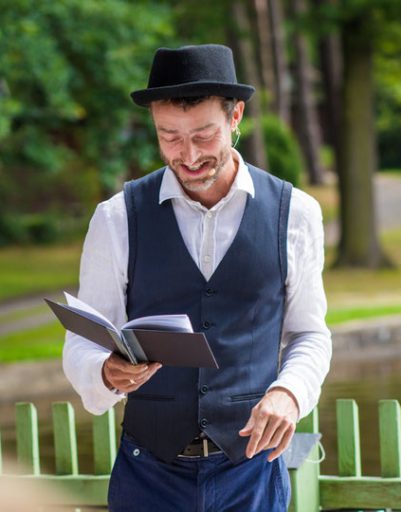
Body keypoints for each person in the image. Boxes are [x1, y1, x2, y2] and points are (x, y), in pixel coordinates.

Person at [62, 44, 331, 511]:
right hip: (147, 474)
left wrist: (289, 394)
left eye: (203, 136)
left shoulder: (297, 214)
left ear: (235, 117)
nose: (188, 155)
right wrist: (103, 371)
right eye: (169, 136)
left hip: (252, 470)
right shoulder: (116, 218)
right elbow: (83, 339)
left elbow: (309, 333)